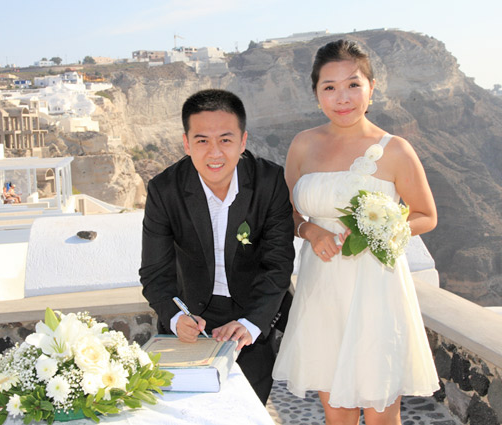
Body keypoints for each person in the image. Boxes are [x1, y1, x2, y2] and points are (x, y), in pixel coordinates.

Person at [272, 39, 440, 425]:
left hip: (376, 290)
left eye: (352, 84)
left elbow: (425, 215)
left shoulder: (395, 149)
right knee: (338, 414)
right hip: (322, 288)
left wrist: (378, 230)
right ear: (316, 94)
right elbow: (291, 210)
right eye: (328, 87)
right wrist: (311, 232)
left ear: (371, 87)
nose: (341, 97)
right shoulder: (303, 145)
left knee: (382, 416)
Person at [139, 89, 295, 404]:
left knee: (246, 410)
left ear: (243, 140)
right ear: (185, 143)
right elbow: (155, 272)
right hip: (190, 314)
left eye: (225, 140)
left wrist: (251, 324)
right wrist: (174, 318)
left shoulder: (269, 182)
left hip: (252, 314)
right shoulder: (164, 190)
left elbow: (278, 263)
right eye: (201, 141)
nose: (214, 153)